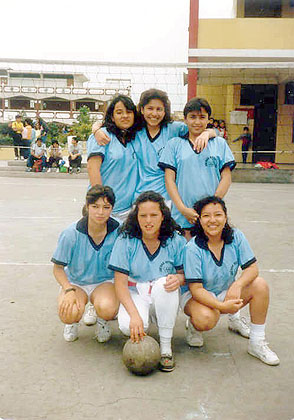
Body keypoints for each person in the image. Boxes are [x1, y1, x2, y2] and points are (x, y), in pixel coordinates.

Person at [181, 195, 279, 366]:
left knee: (260, 285)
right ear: (199, 220)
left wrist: (238, 284)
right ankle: (194, 326)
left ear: (225, 217)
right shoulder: (193, 248)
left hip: (225, 289)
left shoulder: (236, 236)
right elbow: (196, 288)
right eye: (206, 216)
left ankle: (257, 342)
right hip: (196, 295)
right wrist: (221, 307)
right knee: (206, 319)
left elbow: (252, 268)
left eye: (218, 215)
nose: (213, 220)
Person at [92, 89, 216, 203]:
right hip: (140, 197)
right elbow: (110, 124)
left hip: (167, 198)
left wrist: (207, 133)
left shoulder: (174, 129)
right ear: (142, 109)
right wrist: (96, 129)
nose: (154, 113)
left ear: (165, 111)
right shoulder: (135, 131)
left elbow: (197, 129)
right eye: (150, 108)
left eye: (159, 109)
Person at [108, 191, 186, 372]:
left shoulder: (175, 239)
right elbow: (119, 284)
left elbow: (184, 274)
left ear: (163, 216)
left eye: (154, 215)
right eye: (143, 215)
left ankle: (166, 347)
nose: (148, 220)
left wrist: (179, 278)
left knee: (165, 283)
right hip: (136, 292)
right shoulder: (126, 239)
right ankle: (145, 316)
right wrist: (134, 315)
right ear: (136, 216)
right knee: (129, 326)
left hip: (163, 294)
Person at [158, 97, 235, 239]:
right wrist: (182, 209)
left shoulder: (219, 144)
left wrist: (212, 205)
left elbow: (226, 177)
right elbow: (169, 180)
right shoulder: (174, 145)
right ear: (185, 119)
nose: (197, 122)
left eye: (202, 117)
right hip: (182, 216)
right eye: (192, 117)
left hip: (210, 215)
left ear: (208, 120)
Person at [51, 185, 120, 343]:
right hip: (77, 282)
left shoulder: (119, 230)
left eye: (106, 207)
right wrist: (68, 290)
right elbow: (58, 268)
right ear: (87, 206)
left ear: (112, 208)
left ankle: (102, 320)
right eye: (95, 206)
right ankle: (72, 324)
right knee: (68, 313)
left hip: (104, 282)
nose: (100, 212)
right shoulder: (71, 234)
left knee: (108, 308)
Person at [87, 95, 139, 221]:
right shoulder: (102, 135)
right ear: (112, 116)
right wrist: (102, 204)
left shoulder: (136, 138)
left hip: (129, 210)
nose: (125, 116)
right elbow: (92, 169)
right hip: (105, 209)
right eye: (119, 112)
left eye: (129, 112)